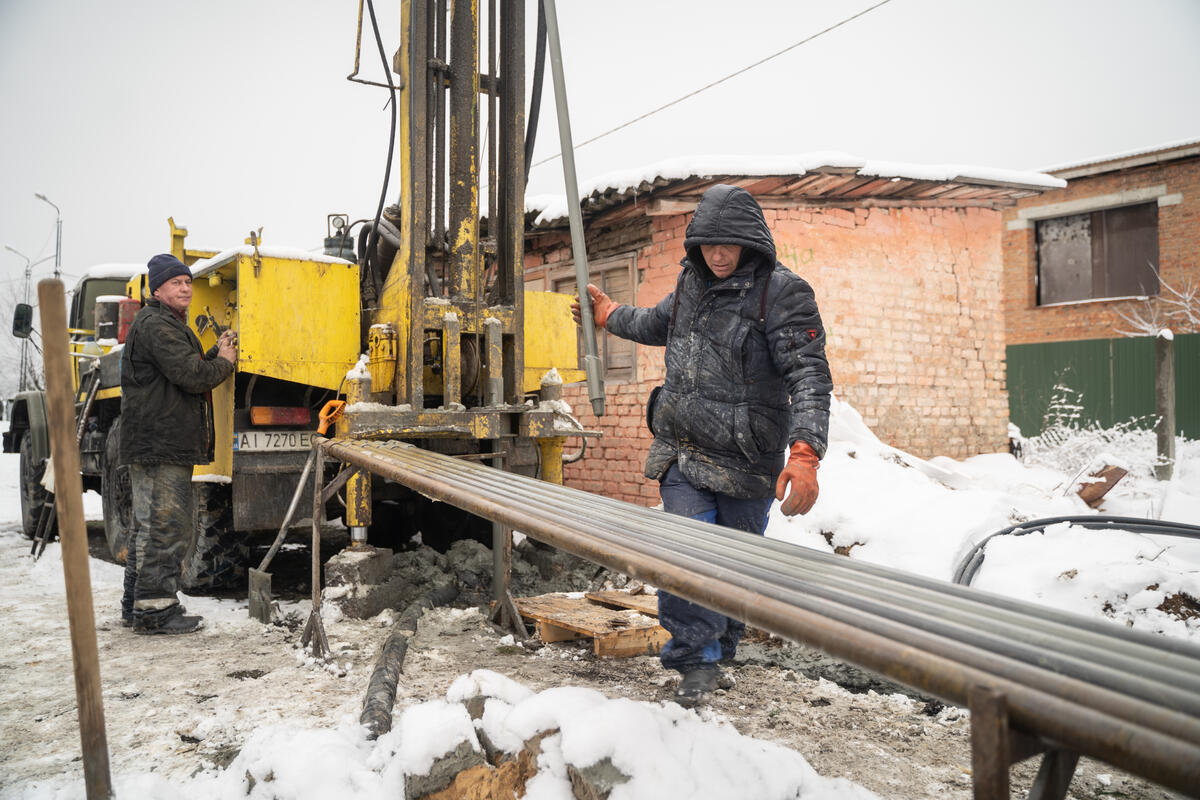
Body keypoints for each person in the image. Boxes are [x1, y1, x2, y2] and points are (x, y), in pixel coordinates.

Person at [572, 184, 832, 704]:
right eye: (708, 244)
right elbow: (654, 323)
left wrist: (805, 453)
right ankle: (696, 662)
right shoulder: (691, 283)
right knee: (685, 550)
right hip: (684, 451)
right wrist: (608, 315)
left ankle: (718, 653)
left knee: (734, 567)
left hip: (747, 460)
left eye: (728, 245)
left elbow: (809, 375)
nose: (717, 255)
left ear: (751, 245)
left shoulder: (782, 293)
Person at [119, 253, 236, 634]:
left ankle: (137, 604)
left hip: (157, 442)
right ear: (157, 289)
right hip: (161, 444)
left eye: (187, 281)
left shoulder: (162, 323)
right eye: (176, 283)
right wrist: (226, 363)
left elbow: (184, 366)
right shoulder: (157, 324)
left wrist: (214, 354)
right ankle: (156, 612)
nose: (185, 287)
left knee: (148, 526)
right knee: (166, 527)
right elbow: (191, 375)